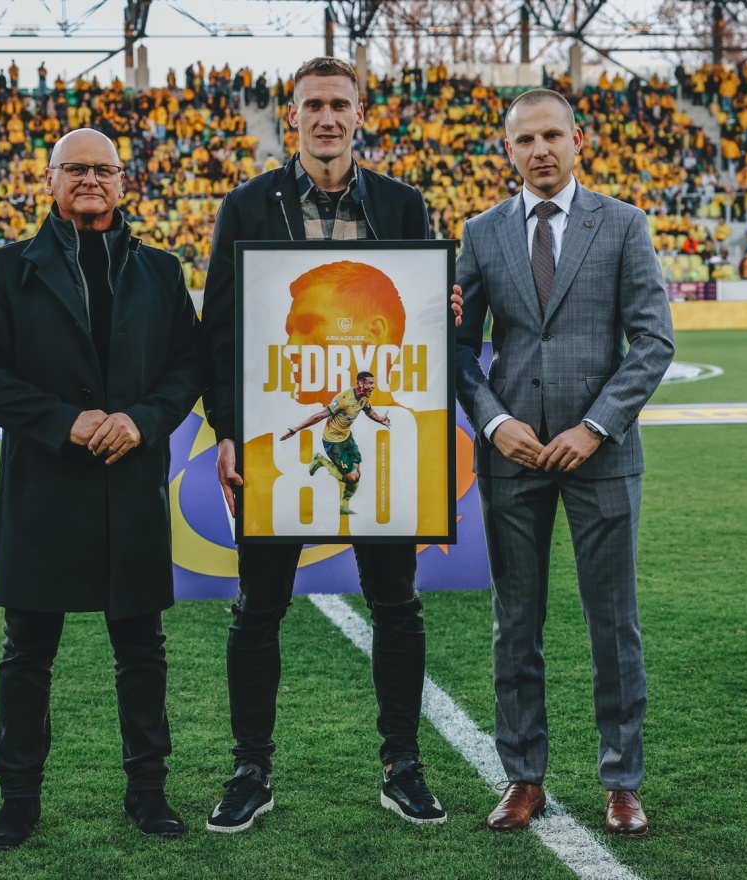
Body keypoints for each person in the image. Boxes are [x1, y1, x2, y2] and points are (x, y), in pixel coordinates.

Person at [200, 56, 461, 834]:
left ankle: (402, 765)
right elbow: (219, 332)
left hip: (380, 447)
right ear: (293, 116)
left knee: (397, 604)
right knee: (258, 608)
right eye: (312, 104)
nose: (325, 117)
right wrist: (225, 430)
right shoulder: (247, 205)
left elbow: (423, 327)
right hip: (275, 442)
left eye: (338, 104)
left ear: (358, 115)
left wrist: (443, 309)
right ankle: (251, 769)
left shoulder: (402, 204)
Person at [0, 128, 204, 850]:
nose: (91, 180)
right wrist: (64, 421)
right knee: (27, 651)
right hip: (44, 488)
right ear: (50, 180)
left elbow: (188, 368)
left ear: (123, 182)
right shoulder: (9, 268)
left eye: (104, 170)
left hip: (130, 485)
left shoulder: (160, 270)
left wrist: (142, 420)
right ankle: (18, 800)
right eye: (76, 169)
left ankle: (148, 794)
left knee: (142, 649)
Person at [454, 89, 675, 837]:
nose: (540, 149)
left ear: (577, 141)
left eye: (552, 135)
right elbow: (459, 348)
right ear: (507, 150)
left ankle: (623, 782)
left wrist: (596, 427)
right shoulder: (481, 232)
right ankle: (523, 778)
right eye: (525, 140)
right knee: (515, 624)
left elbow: (653, 341)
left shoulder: (623, 224)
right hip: (512, 456)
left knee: (614, 624)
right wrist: (494, 422)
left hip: (600, 458)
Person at [280, 371, 391, 515]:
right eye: (370, 383)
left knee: (356, 475)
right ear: (360, 383)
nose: (373, 386)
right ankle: (320, 460)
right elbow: (320, 415)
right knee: (353, 477)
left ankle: (343, 506)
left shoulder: (364, 398)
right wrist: (297, 428)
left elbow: (369, 411)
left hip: (347, 437)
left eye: (373, 383)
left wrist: (380, 419)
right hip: (333, 442)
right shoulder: (344, 399)